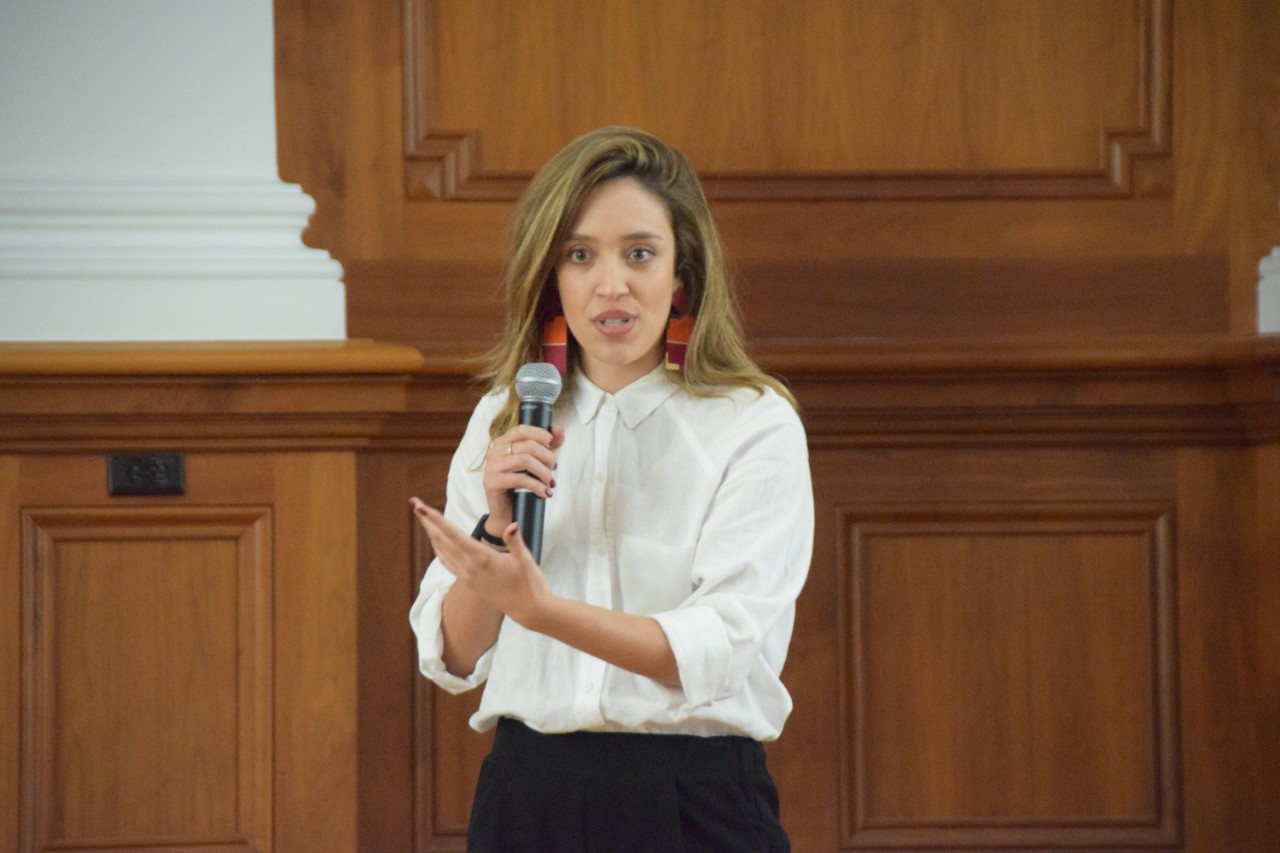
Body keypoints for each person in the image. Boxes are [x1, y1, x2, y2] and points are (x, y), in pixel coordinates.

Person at [409, 125, 813, 853]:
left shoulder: (753, 423)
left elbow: (715, 649)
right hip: (526, 797)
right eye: (580, 255)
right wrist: (490, 535)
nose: (611, 284)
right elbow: (455, 658)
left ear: (682, 273)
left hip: (693, 800)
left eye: (639, 254)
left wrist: (543, 610)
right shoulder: (505, 415)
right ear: (552, 279)